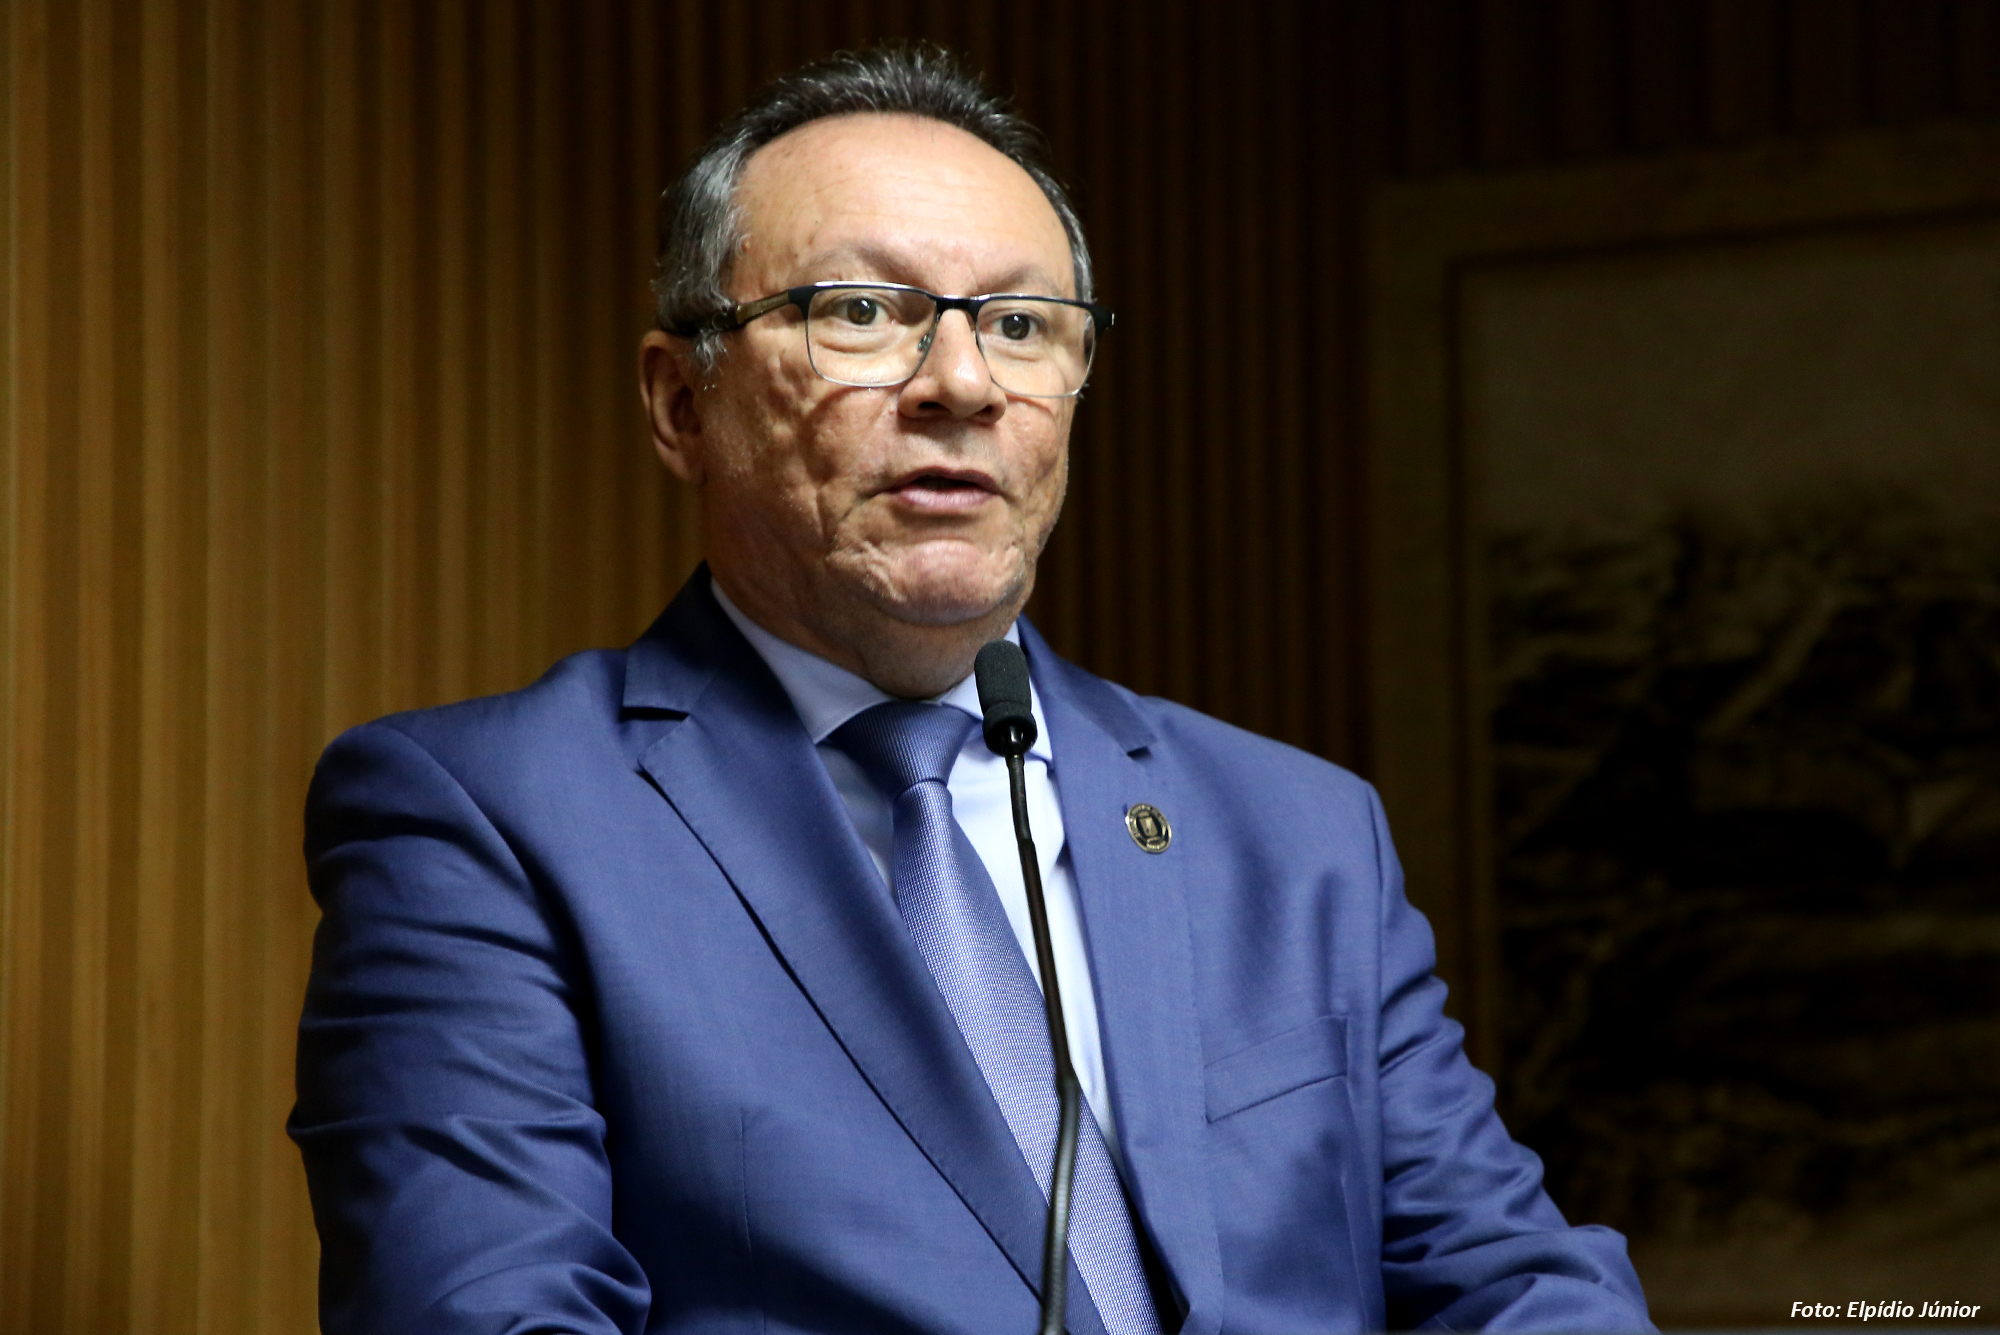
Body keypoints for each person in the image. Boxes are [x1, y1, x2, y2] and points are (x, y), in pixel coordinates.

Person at [290, 45, 1654, 1335]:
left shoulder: (1296, 833)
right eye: (860, 313)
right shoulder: (488, 819)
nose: (961, 383)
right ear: (680, 404)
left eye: (1019, 325)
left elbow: (1512, 1279)